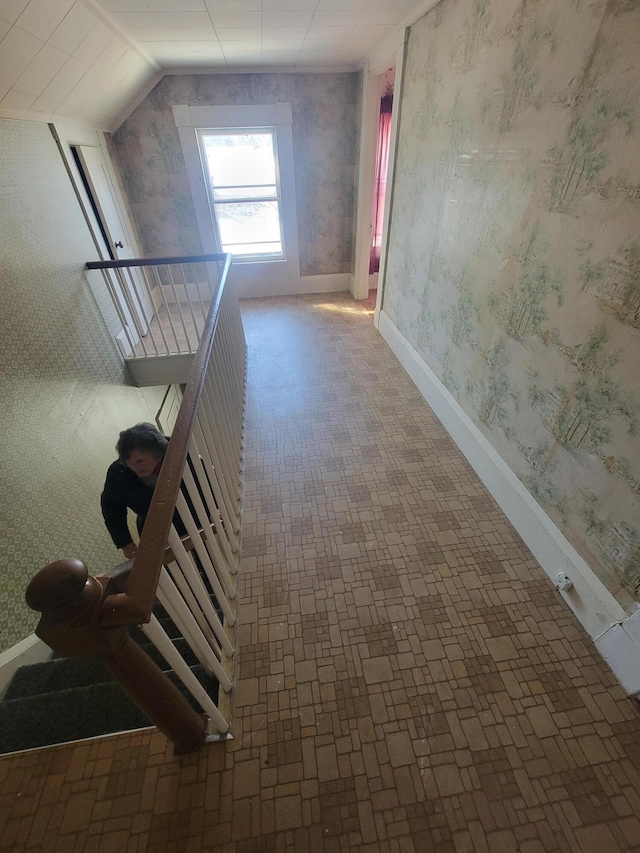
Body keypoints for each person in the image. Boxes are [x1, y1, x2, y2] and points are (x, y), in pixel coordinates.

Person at [101, 423, 169, 560]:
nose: (134, 467)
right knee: (162, 566)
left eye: (140, 461)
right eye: (129, 462)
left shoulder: (179, 452)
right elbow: (111, 507)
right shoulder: (118, 472)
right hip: (151, 522)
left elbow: (205, 479)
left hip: (193, 513)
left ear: (157, 453)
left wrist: (214, 508)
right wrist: (125, 543)